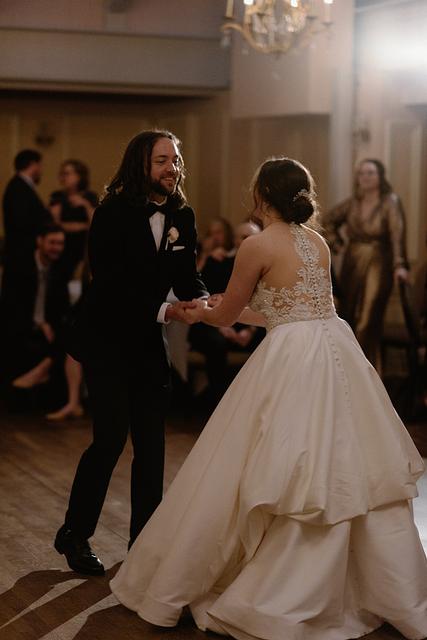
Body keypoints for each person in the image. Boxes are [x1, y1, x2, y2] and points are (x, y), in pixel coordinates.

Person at [110, 157, 427, 640]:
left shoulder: (256, 245)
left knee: (272, 458)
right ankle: (374, 585)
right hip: (334, 348)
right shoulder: (317, 242)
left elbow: (231, 315)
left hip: (293, 358)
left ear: (262, 194)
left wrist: (199, 312)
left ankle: (276, 587)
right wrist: (221, 307)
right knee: (344, 457)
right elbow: (292, 309)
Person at [54, 130, 208, 576]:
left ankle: (144, 544)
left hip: (147, 345)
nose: (172, 168)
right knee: (109, 441)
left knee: (152, 446)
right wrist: (167, 311)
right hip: (106, 340)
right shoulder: (110, 214)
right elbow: (110, 286)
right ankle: (75, 533)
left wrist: (203, 300)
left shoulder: (182, 214)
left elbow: (186, 275)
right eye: (162, 161)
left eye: (175, 160)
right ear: (140, 165)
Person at [323, 159, 409, 371]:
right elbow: (327, 220)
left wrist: (399, 264)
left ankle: (364, 372)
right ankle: (345, 371)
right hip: (352, 261)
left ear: (380, 176)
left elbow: (397, 234)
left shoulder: (390, 201)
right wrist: (337, 242)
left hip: (379, 260)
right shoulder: (353, 202)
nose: (365, 177)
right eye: (361, 173)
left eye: (370, 172)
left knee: (368, 319)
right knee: (348, 315)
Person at [190, 219, 263, 407]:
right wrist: (221, 325)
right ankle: (221, 403)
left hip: (251, 325)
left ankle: (256, 402)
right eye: (241, 237)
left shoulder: (266, 268)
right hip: (215, 323)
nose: (246, 241)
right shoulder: (218, 262)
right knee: (216, 343)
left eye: (250, 237)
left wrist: (250, 330)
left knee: (274, 337)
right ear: (235, 240)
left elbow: (266, 306)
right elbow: (206, 298)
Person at [0, 224, 69, 390]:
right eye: (52, 242)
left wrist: (49, 325)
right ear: (40, 241)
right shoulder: (19, 265)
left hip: (47, 327)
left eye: (60, 243)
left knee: (68, 334)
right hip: (20, 323)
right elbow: (11, 305)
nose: (57, 248)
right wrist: (39, 323)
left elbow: (62, 306)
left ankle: (41, 371)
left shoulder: (60, 268)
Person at [49, 159, 98, 280]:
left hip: (84, 250)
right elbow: (54, 226)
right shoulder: (57, 196)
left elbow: (95, 224)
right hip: (62, 250)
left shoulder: (90, 196)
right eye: (61, 174)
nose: (63, 177)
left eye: (67, 173)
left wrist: (85, 205)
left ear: (79, 176)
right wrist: (83, 226)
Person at [2, 149, 50, 269]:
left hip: (21, 251)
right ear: (33, 164)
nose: (41, 171)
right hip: (21, 253)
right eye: (40, 166)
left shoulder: (19, 186)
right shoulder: (18, 187)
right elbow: (22, 220)